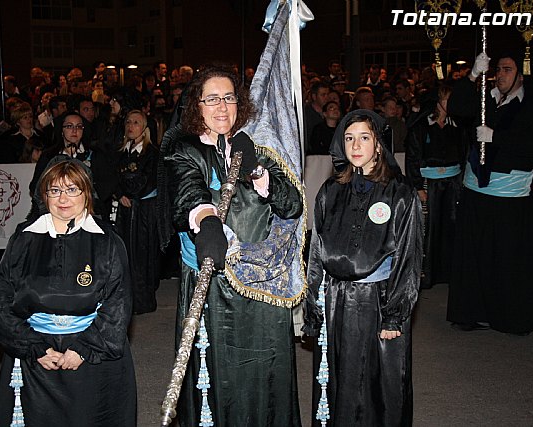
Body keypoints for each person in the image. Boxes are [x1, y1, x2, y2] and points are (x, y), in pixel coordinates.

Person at [158, 64, 303, 426]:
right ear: (197, 105)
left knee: (265, 369)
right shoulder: (184, 147)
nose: (222, 107)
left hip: (265, 284)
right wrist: (206, 220)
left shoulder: (256, 145)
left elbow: (292, 205)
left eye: (228, 98)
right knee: (221, 375)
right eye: (212, 99)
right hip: (216, 283)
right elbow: (188, 192)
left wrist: (257, 172)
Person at [0, 159, 136, 426]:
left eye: (72, 190)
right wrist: (34, 347)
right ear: (43, 195)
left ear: (86, 193)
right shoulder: (23, 238)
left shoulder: (107, 240)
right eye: (55, 190)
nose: (63, 198)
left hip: (92, 356)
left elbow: (118, 302)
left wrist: (83, 349)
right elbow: (2, 299)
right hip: (35, 356)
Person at [304, 110, 422, 426]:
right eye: (349, 138)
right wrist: (313, 304)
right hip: (336, 299)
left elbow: (408, 257)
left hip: (378, 300)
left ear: (378, 144)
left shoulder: (400, 192)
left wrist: (394, 314)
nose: (356, 146)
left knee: (377, 384)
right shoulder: (330, 190)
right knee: (338, 379)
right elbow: (316, 250)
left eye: (364, 137)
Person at [446, 52, 533, 334]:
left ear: (521, 75)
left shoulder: (532, 105)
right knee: (474, 256)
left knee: (506, 259)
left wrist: (495, 137)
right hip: (476, 191)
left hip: (509, 198)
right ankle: (471, 312)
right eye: (498, 69)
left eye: (507, 70)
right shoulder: (485, 99)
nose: (500, 74)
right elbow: (456, 107)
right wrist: (472, 75)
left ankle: (510, 317)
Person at [406, 84, 466, 289]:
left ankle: (448, 273)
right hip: (429, 183)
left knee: (451, 227)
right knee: (428, 229)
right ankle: (426, 274)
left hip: (453, 183)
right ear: (439, 101)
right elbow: (413, 157)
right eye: (449, 99)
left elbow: (463, 155)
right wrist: (417, 186)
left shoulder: (456, 126)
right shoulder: (421, 126)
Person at [108, 110, 160, 314]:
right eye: (128, 122)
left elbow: (147, 182)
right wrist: (120, 193)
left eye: (136, 122)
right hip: (125, 211)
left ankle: (143, 301)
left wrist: (130, 193)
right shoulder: (121, 152)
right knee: (125, 254)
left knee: (143, 254)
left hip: (144, 212)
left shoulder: (152, 153)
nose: (131, 126)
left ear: (144, 128)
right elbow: (111, 177)